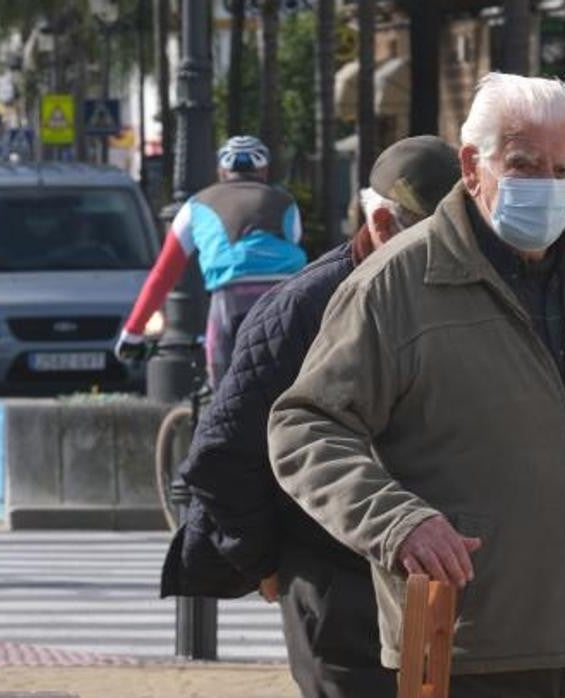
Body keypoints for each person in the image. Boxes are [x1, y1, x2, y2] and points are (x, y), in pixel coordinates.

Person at [268, 73, 565, 696]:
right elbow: (304, 427)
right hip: (473, 642)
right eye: (524, 164)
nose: (544, 185)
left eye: (562, 169)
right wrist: (397, 522)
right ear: (473, 164)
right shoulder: (396, 285)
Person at [160, 136, 462, 698]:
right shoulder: (302, 308)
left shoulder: (455, 295)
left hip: (437, 577)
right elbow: (224, 454)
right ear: (380, 224)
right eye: (428, 237)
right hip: (332, 578)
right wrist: (264, 564)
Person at [115, 135, 307, 376]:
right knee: (289, 380)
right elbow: (298, 251)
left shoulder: (194, 206)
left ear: (221, 171)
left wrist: (133, 332)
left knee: (224, 385)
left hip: (230, 296)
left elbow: (163, 274)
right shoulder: (287, 202)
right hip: (284, 295)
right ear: (264, 171)